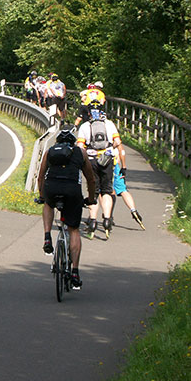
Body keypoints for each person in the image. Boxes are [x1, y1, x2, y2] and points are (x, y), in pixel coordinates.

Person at [37, 126, 97, 289]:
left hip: (52, 187)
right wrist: (91, 199)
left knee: (48, 204)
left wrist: (42, 196)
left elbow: (41, 176)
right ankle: (75, 271)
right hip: (72, 191)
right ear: (73, 141)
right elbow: (91, 180)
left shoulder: (50, 152)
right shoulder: (80, 153)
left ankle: (47, 236)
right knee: (73, 229)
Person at [76, 104, 122, 239]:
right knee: (107, 190)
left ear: (89, 113)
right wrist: (109, 151)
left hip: (91, 161)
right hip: (107, 160)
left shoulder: (84, 126)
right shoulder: (109, 124)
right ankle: (107, 220)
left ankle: (93, 221)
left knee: (93, 191)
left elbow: (80, 146)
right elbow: (117, 142)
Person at [111, 144, 146, 230]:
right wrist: (124, 166)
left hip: (102, 164)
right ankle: (133, 210)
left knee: (104, 191)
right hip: (115, 164)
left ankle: (103, 217)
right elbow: (122, 151)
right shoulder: (113, 133)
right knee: (123, 190)